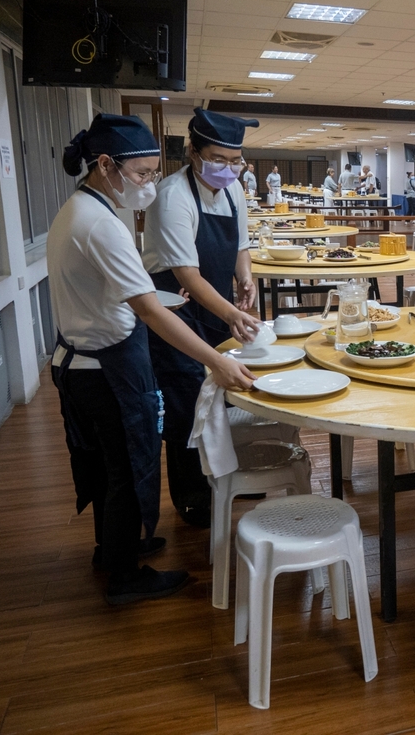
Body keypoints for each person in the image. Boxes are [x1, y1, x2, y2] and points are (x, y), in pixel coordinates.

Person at [50, 114, 254, 604]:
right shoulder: (100, 224)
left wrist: (170, 301)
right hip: (103, 365)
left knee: (111, 467)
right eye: (142, 174)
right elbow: (144, 307)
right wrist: (219, 361)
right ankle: (125, 576)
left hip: (87, 358)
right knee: (123, 469)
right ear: (105, 165)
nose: (148, 184)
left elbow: (126, 293)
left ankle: (117, 548)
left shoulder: (83, 209)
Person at [141, 107, 263, 528]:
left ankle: (227, 478)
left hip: (213, 307)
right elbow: (185, 272)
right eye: (219, 159)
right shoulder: (173, 196)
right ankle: (192, 496)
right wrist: (233, 312)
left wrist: (245, 278)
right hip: (176, 310)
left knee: (221, 395)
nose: (228, 169)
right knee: (186, 401)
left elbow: (241, 244)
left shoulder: (234, 192)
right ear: (193, 152)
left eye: (235, 161)